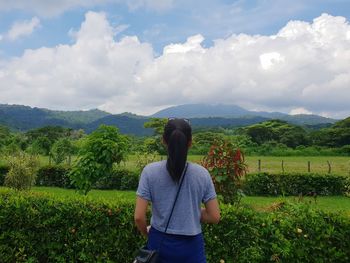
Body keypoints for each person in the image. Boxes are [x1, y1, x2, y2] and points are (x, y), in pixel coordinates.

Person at [134, 118, 220, 263]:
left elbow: (138, 217)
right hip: (192, 249)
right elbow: (214, 216)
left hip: (158, 245)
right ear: (190, 142)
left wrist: (147, 234)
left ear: (164, 141)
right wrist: (190, 211)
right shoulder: (202, 174)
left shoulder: (150, 172)